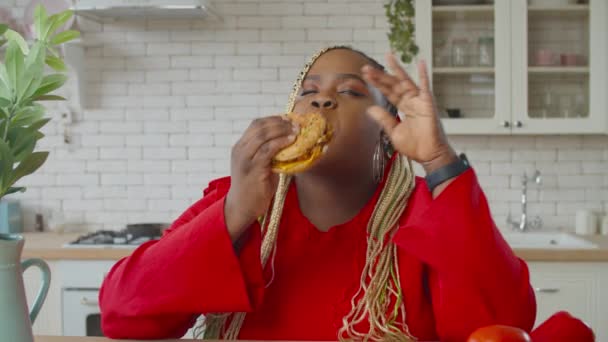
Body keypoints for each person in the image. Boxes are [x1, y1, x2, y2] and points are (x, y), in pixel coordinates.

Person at [99, 46, 536, 341]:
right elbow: (122, 314)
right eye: (309, 92)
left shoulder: (431, 212)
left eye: (349, 92)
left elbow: (499, 324)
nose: (321, 102)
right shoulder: (237, 205)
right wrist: (234, 213)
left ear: (388, 132)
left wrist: (439, 159)